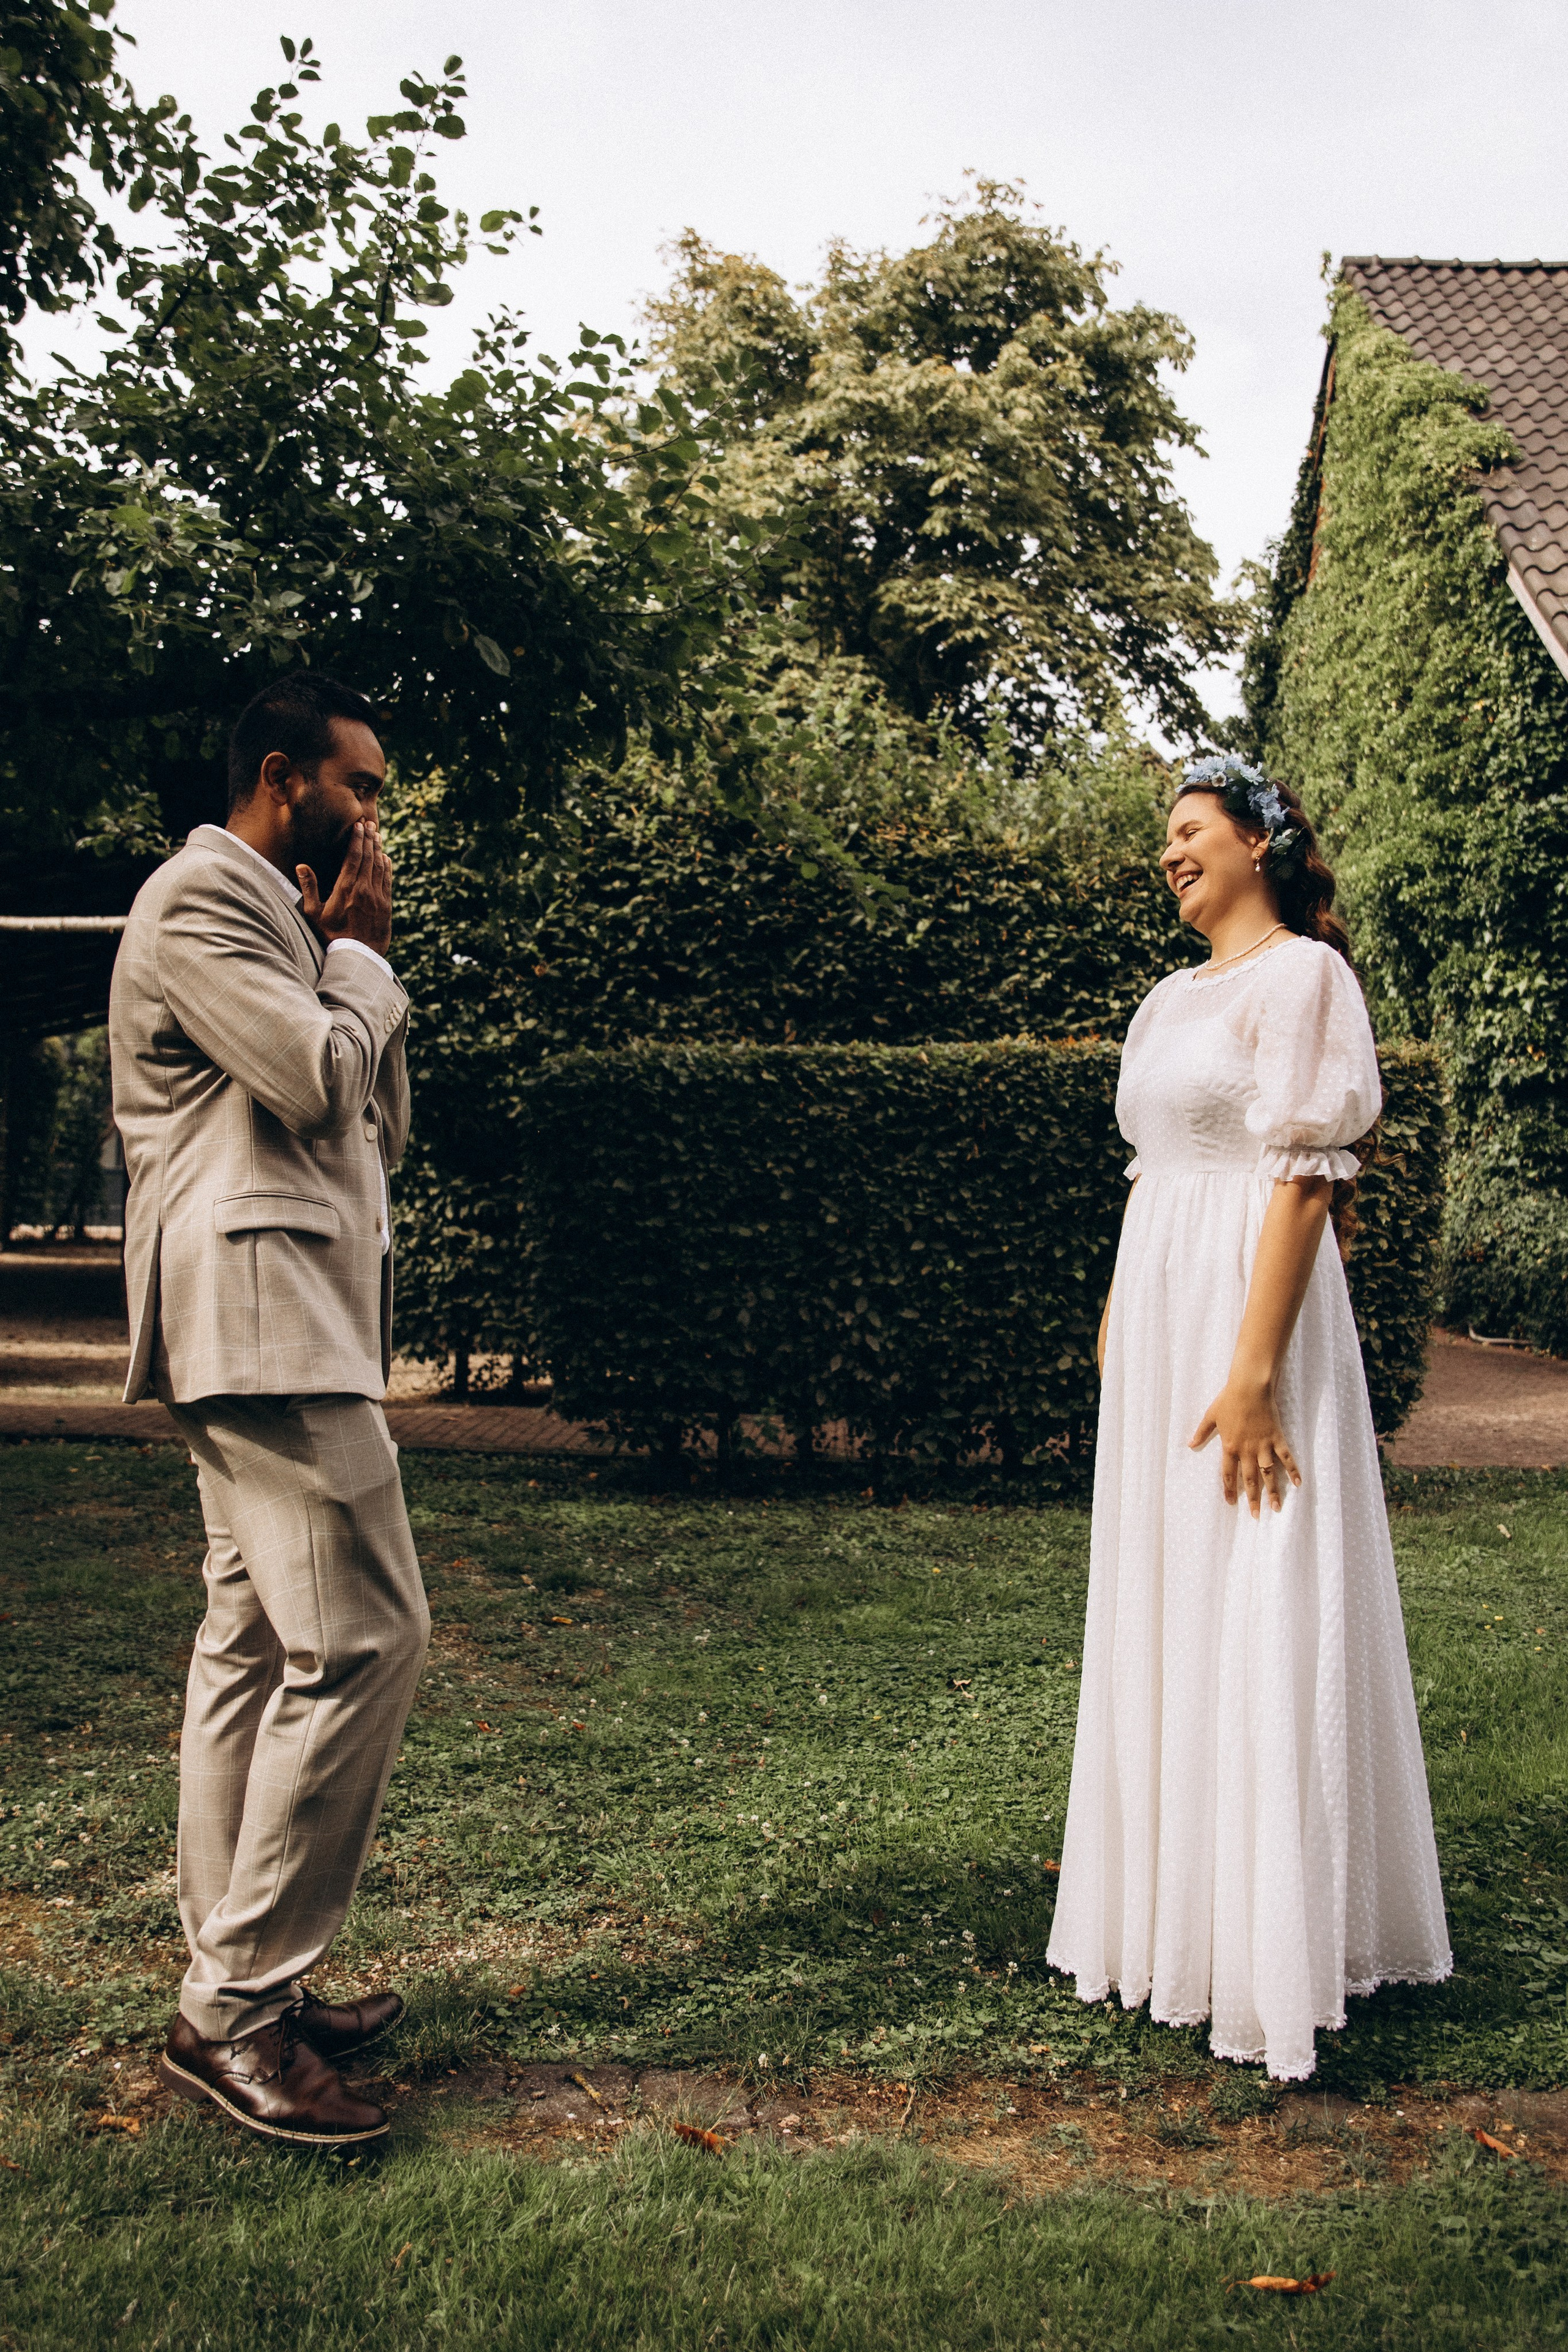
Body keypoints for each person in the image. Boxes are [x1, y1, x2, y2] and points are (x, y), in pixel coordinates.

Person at [1044, 756, 1450, 2082]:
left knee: (1259, 1582)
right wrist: (1118, 1309)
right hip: (1163, 1311)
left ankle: (1277, 1940)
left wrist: (1251, 1369)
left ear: (1256, 845)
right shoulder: (1168, 999)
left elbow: (1299, 1184)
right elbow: (1150, 1168)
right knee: (1173, 1591)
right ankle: (1176, 1922)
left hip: (1249, 1312)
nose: (1167, 852)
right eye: (1160, 834)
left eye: (1187, 830)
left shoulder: (1302, 977)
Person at [109, 673, 429, 2147]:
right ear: (282, 775)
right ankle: (237, 2010)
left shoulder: (289, 926)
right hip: (257, 1320)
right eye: (359, 789)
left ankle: (236, 1978)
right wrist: (356, 964)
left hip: (295, 1314)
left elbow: (380, 1126)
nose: (373, 819)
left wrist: (345, 963)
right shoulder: (197, 901)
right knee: (365, 1636)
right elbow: (314, 1081)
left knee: (250, 1640)